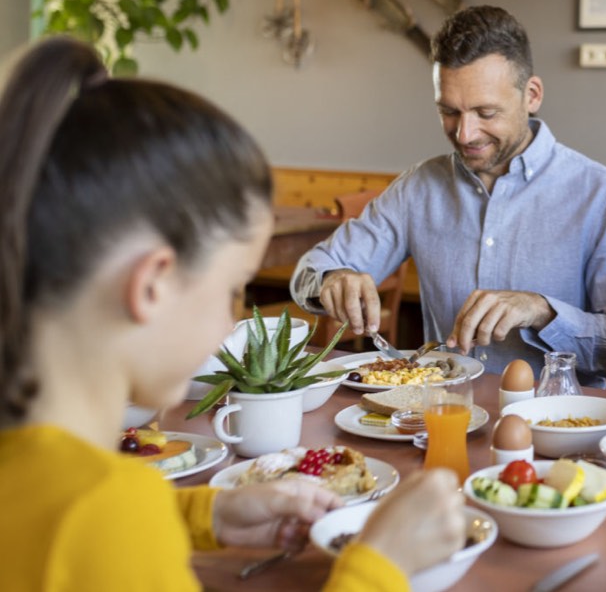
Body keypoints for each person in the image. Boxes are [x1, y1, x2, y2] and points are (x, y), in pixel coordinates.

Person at [0, 37, 464, 590]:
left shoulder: (69, 489)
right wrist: (381, 564)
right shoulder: (107, 510)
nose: (232, 323)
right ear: (152, 284)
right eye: (231, 292)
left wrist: (207, 516)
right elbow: (98, 532)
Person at [292, 5, 606, 387]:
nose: (465, 134)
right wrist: (333, 279)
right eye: (449, 112)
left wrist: (544, 312)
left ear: (531, 95)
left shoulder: (602, 195)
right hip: (439, 419)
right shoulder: (418, 188)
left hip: (554, 429)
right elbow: (311, 270)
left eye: (486, 112)